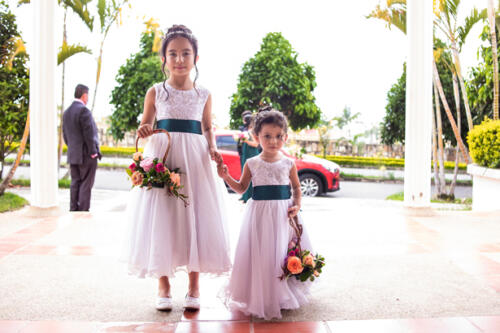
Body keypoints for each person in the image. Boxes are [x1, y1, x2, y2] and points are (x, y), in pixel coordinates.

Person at [121, 25, 231, 312]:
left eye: (186, 53)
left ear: (196, 57)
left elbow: (207, 127)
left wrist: (213, 148)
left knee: (195, 215)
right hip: (164, 154)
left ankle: (194, 285)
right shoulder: (156, 91)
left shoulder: (204, 93)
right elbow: (146, 124)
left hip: (195, 159)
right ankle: (164, 284)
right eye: (173, 54)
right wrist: (144, 129)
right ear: (164, 59)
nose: (179, 59)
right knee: (164, 216)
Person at [217, 109, 314, 320]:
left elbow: (297, 188)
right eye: (267, 136)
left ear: (286, 137)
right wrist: (226, 177)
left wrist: (297, 205)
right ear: (256, 137)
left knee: (282, 251)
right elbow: (242, 188)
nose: (273, 141)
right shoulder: (252, 163)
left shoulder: (288, 163)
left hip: (283, 214)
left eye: (279, 136)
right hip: (259, 215)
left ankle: (282, 293)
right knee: (263, 252)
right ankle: (261, 293)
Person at [62, 84, 101, 211]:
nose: (88, 98)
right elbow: (89, 133)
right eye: (87, 95)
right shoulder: (84, 111)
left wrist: (73, 148)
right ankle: (83, 211)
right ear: (84, 95)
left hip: (73, 154)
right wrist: (93, 152)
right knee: (86, 183)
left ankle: (73, 209)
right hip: (86, 155)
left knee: (75, 182)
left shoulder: (66, 112)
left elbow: (65, 135)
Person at [238, 112, 260, 203]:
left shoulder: (253, 132)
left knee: (251, 175)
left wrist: (245, 140)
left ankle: (250, 196)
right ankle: (245, 196)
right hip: (246, 154)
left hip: (252, 153)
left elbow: (256, 144)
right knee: (245, 174)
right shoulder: (246, 131)